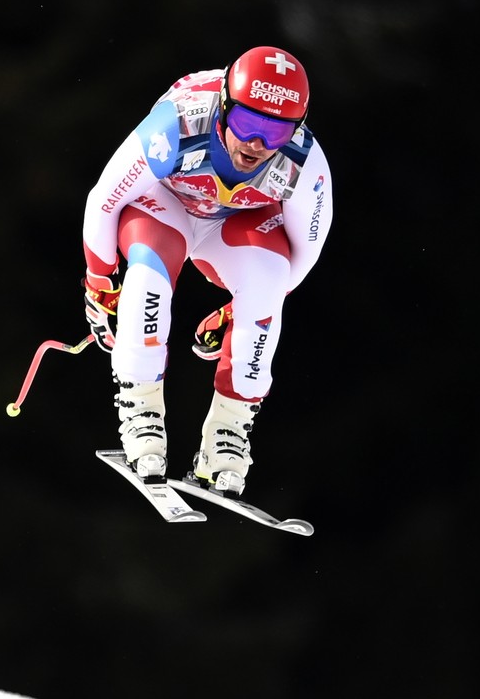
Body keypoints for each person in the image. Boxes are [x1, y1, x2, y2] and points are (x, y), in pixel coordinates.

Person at [80, 46, 333, 495]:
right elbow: (104, 199)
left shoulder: (303, 164)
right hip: (167, 207)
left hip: (233, 225)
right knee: (148, 276)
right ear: (223, 104)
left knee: (268, 285)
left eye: (274, 131)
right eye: (247, 124)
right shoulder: (179, 123)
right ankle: (141, 410)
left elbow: (304, 255)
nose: (257, 144)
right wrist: (100, 282)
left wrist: (242, 308)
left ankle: (228, 435)